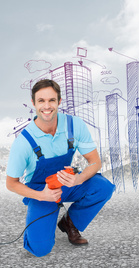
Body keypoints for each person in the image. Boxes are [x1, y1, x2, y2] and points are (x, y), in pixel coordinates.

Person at [6, 79, 115, 257]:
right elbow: (11, 183)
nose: (47, 106)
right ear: (33, 103)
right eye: (41, 101)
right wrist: (42, 195)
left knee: (103, 187)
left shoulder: (74, 125)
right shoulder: (23, 141)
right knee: (40, 250)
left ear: (59, 101)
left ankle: (69, 223)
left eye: (51, 100)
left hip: (68, 182)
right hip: (41, 191)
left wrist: (78, 179)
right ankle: (39, 227)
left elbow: (95, 161)